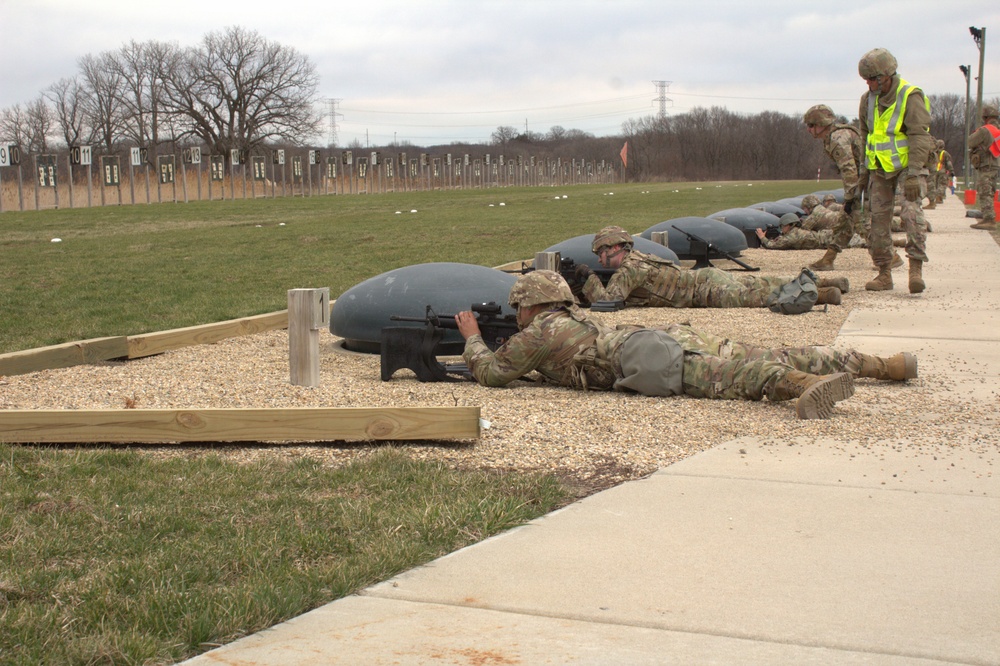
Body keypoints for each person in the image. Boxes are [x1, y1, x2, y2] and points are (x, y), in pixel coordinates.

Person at [455, 271, 917, 420]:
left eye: (519, 308)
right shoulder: (574, 318)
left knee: (735, 377)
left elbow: (494, 374)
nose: (517, 316)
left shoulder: (538, 333)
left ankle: (803, 385)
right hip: (663, 337)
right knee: (767, 352)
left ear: (531, 305)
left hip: (645, 358)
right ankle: (884, 364)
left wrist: (473, 339)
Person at [576, 226, 847, 309]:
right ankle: (823, 281)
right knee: (762, 282)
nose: (599, 259)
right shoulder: (640, 258)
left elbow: (607, 302)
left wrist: (588, 279)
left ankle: (822, 295)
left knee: (760, 296)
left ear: (615, 248)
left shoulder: (628, 270)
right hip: (704, 278)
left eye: (601, 253)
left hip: (704, 291)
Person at [857, 47, 933, 294]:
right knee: (877, 221)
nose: (868, 84)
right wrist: (863, 173)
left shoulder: (910, 96)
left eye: (872, 79)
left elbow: (920, 137)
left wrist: (913, 173)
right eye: (866, 79)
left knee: (911, 214)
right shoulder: (867, 100)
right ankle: (884, 273)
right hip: (879, 169)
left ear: (886, 76)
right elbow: (866, 136)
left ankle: (915, 269)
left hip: (907, 168)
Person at [803, 104, 866, 271]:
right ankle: (828, 258)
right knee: (844, 222)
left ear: (821, 124)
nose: (809, 130)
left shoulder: (837, 139)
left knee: (862, 223)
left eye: (811, 125)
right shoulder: (837, 135)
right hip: (862, 182)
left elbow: (849, 169)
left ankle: (888, 258)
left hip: (865, 183)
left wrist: (850, 197)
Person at [968, 104, 1000, 231]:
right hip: (995, 165)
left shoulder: (985, 130)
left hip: (986, 165)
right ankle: (988, 217)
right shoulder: (997, 129)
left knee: (984, 191)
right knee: (990, 191)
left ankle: (989, 219)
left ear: (985, 117)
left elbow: (970, 141)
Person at [933, 139, 954, 205]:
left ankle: (936, 197)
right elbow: (948, 163)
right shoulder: (945, 153)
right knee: (942, 184)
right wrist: (951, 170)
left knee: (935, 185)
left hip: (934, 171)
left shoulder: (934, 152)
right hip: (942, 170)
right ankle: (939, 197)